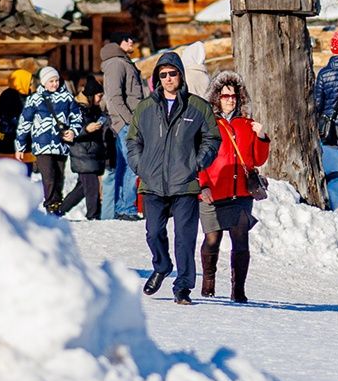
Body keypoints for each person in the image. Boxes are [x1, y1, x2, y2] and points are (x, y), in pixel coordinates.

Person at [129, 51, 221, 305]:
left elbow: (212, 138)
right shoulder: (145, 108)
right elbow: (133, 140)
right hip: (153, 182)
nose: (168, 79)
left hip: (185, 183)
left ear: (181, 75)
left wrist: (197, 162)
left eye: (173, 74)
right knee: (153, 232)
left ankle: (183, 288)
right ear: (158, 79)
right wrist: (140, 166)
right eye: (163, 75)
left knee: (185, 237)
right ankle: (161, 266)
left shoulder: (197, 107)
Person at [195, 71, 268, 303]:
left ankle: (239, 289)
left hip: (241, 193)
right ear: (216, 98)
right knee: (212, 239)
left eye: (234, 96)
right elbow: (198, 158)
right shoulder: (207, 124)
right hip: (214, 190)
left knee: (240, 239)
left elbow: (257, 160)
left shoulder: (246, 123)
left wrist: (262, 137)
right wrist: (202, 185)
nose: (230, 100)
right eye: (225, 96)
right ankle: (208, 279)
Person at [17, 66, 84, 214]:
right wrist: (20, 145)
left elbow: (77, 118)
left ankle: (57, 205)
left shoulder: (67, 98)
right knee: (49, 177)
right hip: (42, 145)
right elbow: (25, 122)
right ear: (43, 82)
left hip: (60, 144)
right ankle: (50, 206)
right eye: (51, 81)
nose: (54, 84)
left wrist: (73, 131)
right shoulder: (35, 99)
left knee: (59, 176)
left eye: (56, 81)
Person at [100, 33, 145, 221]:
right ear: (118, 43)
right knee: (132, 164)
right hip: (127, 123)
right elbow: (114, 97)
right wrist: (130, 120)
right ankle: (126, 208)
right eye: (127, 38)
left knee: (125, 165)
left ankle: (122, 207)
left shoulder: (122, 62)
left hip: (128, 122)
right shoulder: (116, 64)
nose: (131, 41)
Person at [56, 80, 110, 220]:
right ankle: (93, 217)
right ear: (91, 95)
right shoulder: (75, 109)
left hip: (91, 154)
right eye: (99, 95)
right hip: (82, 154)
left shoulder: (93, 108)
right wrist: (86, 129)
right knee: (92, 188)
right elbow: (68, 133)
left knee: (81, 190)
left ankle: (58, 212)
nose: (101, 99)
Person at [0, 68, 33, 159]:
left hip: (21, 141)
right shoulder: (10, 96)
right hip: (10, 142)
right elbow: (8, 119)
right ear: (21, 81)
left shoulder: (24, 95)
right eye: (28, 83)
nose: (30, 85)